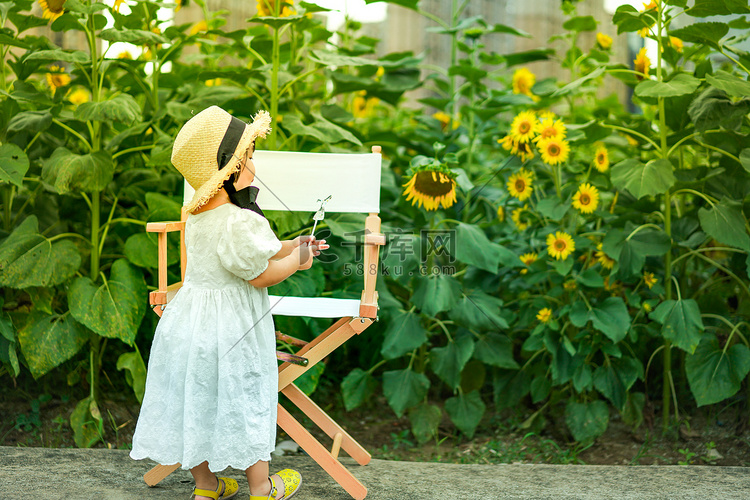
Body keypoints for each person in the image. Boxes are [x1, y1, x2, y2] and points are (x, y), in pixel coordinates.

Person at [130, 105, 328, 500]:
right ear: (229, 171)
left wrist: (290, 245)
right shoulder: (241, 221)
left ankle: (206, 487)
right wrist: (299, 260)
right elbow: (261, 274)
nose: (254, 166)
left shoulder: (200, 217)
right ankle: (261, 487)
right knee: (247, 396)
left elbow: (258, 252)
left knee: (198, 399)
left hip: (190, 323)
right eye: (248, 158)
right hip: (234, 329)